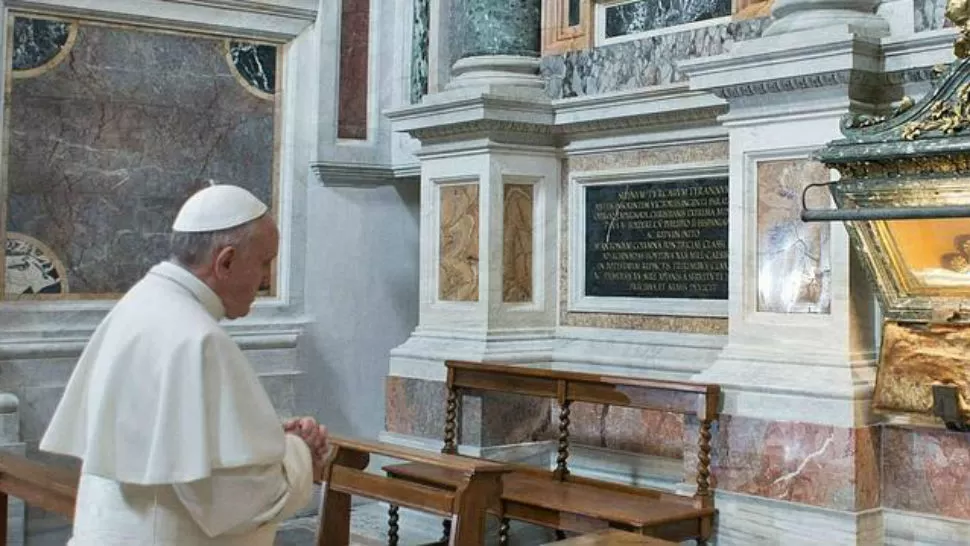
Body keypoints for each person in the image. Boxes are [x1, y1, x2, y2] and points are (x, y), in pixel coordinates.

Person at [39, 183, 328, 545]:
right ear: (225, 262)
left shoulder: (140, 305)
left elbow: (186, 442)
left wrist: (266, 438)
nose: (268, 279)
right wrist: (302, 454)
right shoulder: (197, 338)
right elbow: (232, 502)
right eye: (265, 262)